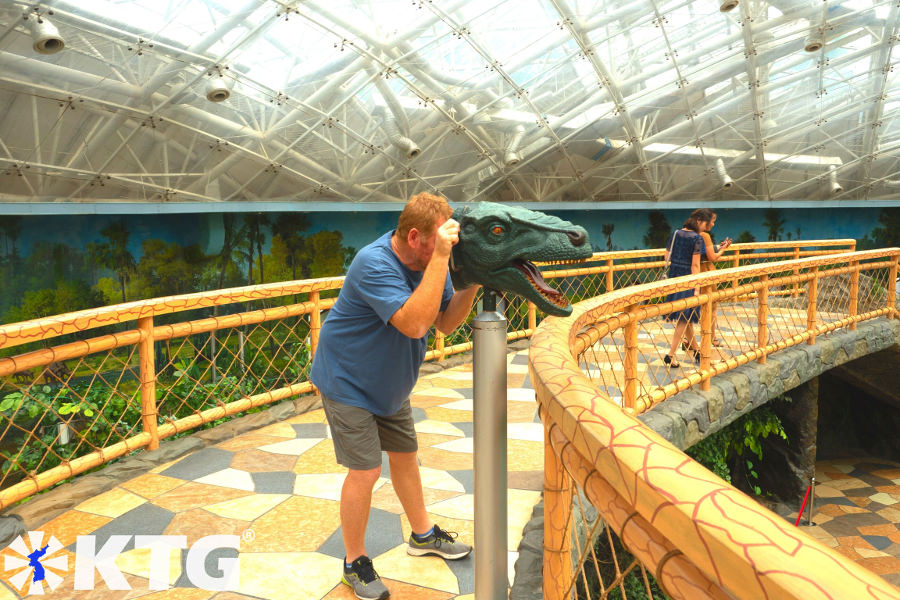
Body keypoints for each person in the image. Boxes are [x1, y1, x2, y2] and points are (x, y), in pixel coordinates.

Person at [310, 192, 480, 600]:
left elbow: (443, 323)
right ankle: (354, 562)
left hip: (390, 383)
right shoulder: (375, 263)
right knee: (366, 471)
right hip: (347, 380)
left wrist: (473, 280)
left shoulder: (429, 261)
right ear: (416, 236)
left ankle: (421, 536)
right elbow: (414, 324)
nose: (447, 247)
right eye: (440, 240)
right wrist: (441, 260)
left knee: (405, 456)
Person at [662, 212, 706, 368]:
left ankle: (697, 351)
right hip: (688, 280)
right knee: (683, 317)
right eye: (704, 224)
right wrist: (697, 287)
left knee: (686, 318)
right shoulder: (697, 239)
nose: (705, 228)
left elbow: (667, 256)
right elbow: (695, 265)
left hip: (674, 278)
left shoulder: (675, 234)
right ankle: (670, 354)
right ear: (698, 223)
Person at [696, 208, 732, 348]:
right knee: (711, 307)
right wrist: (723, 250)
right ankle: (711, 337)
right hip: (706, 273)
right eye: (712, 221)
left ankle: (687, 340)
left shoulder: (687, 233)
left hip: (691, 274)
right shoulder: (704, 236)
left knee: (690, 307)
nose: (713, 224)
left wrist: (718, 247)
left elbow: (705, 251)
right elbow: (712, 257)